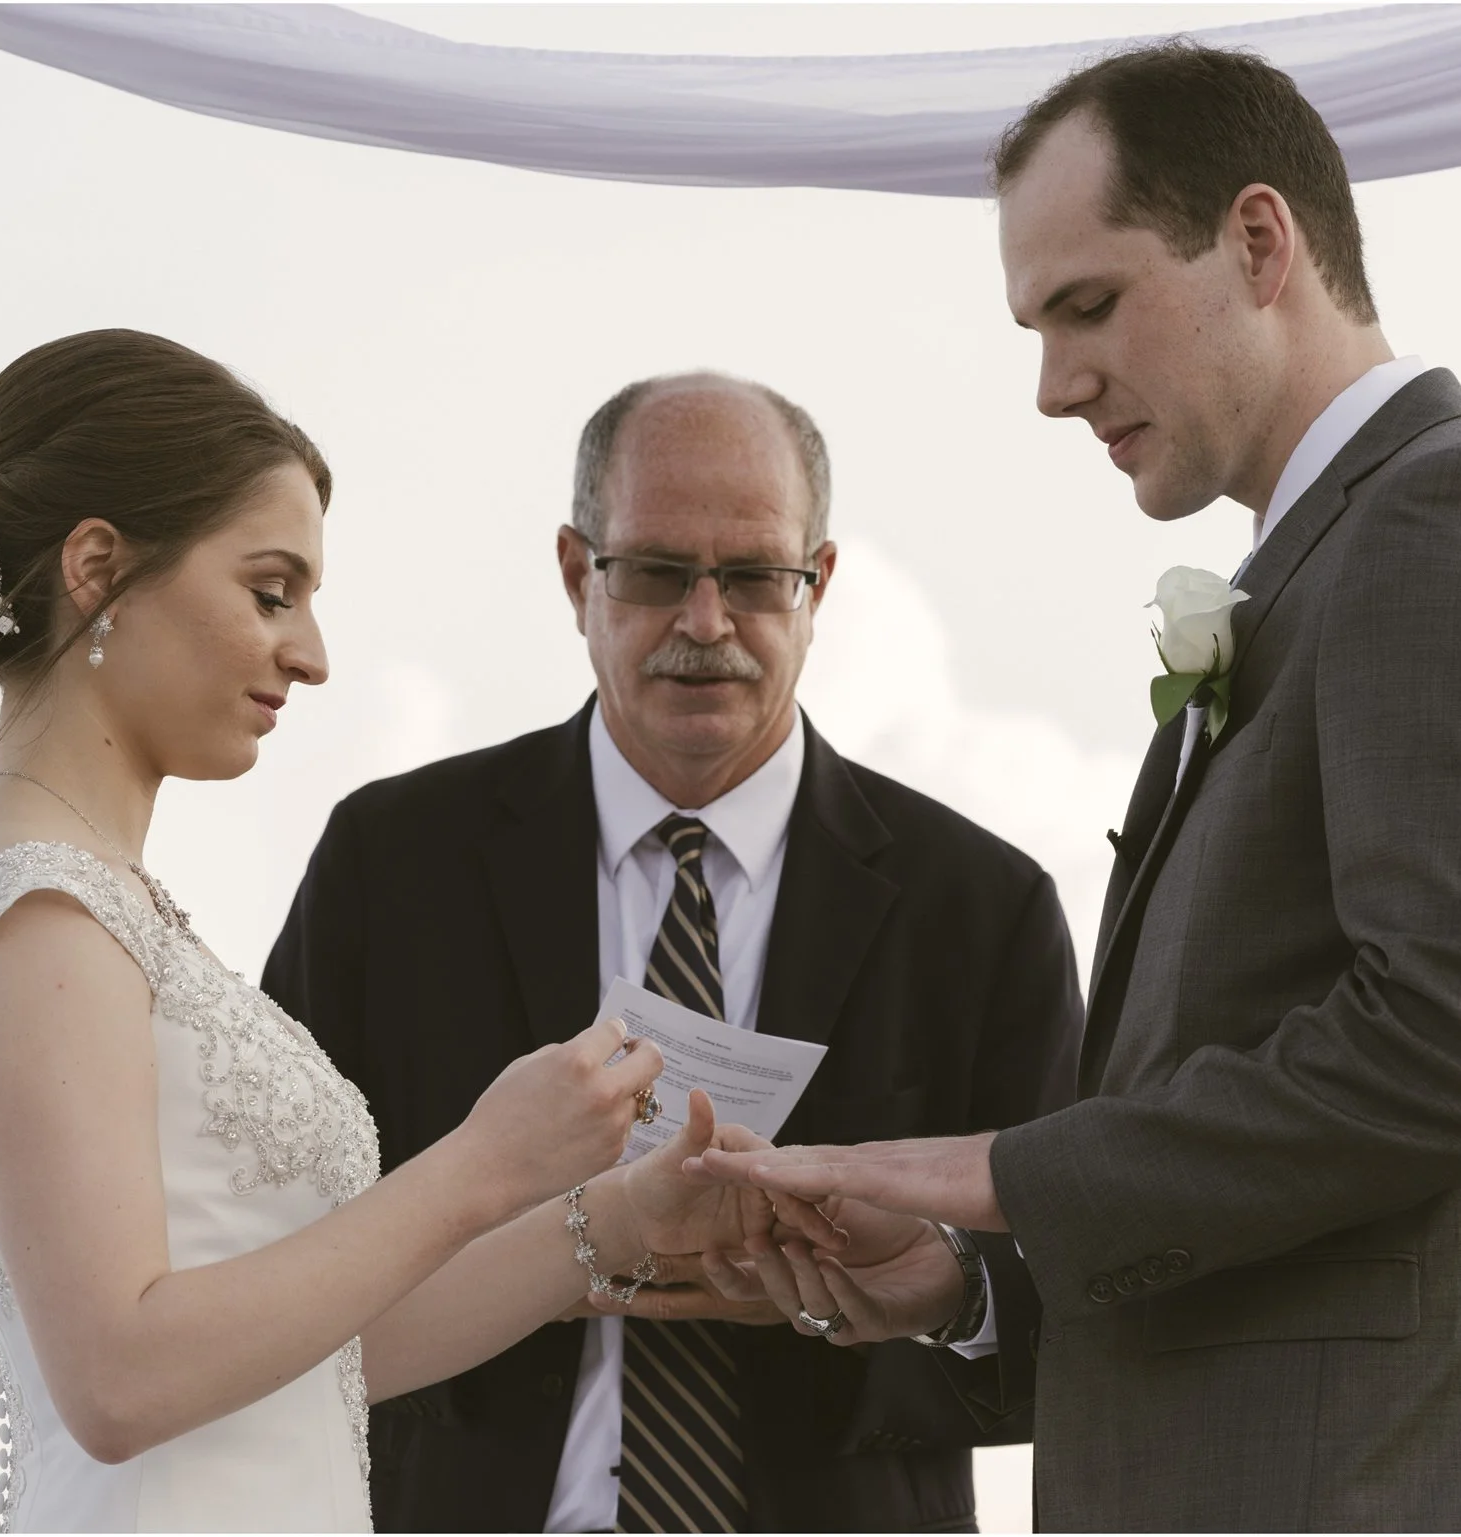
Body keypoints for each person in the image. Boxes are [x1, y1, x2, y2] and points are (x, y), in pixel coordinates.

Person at [693, 42, 1461, 1533]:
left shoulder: (1459, 524)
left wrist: (998, 1173)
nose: (1053, 386)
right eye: (1035, 328)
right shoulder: (1332, 564)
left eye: (1089, 306)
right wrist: (968, 1284)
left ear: (1260, 241)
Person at [0, 330, 833, 1533]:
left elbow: (322, 1354)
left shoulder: (105, 911)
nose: (311, 655)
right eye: (271, 592)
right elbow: (119, 1380)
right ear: (99, 568)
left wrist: (614, 1221)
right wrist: (483, 1162)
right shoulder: (44, 921)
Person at [263, 371, 1083, 1532]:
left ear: (819, 586)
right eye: (654, 573)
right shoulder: (390, 862)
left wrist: (882, 1297)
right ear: (573, 574)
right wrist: (527, 1257)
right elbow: (269, 1262)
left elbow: (1073, 1315)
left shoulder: (981, 910)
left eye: (752, 577)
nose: (705, 624)